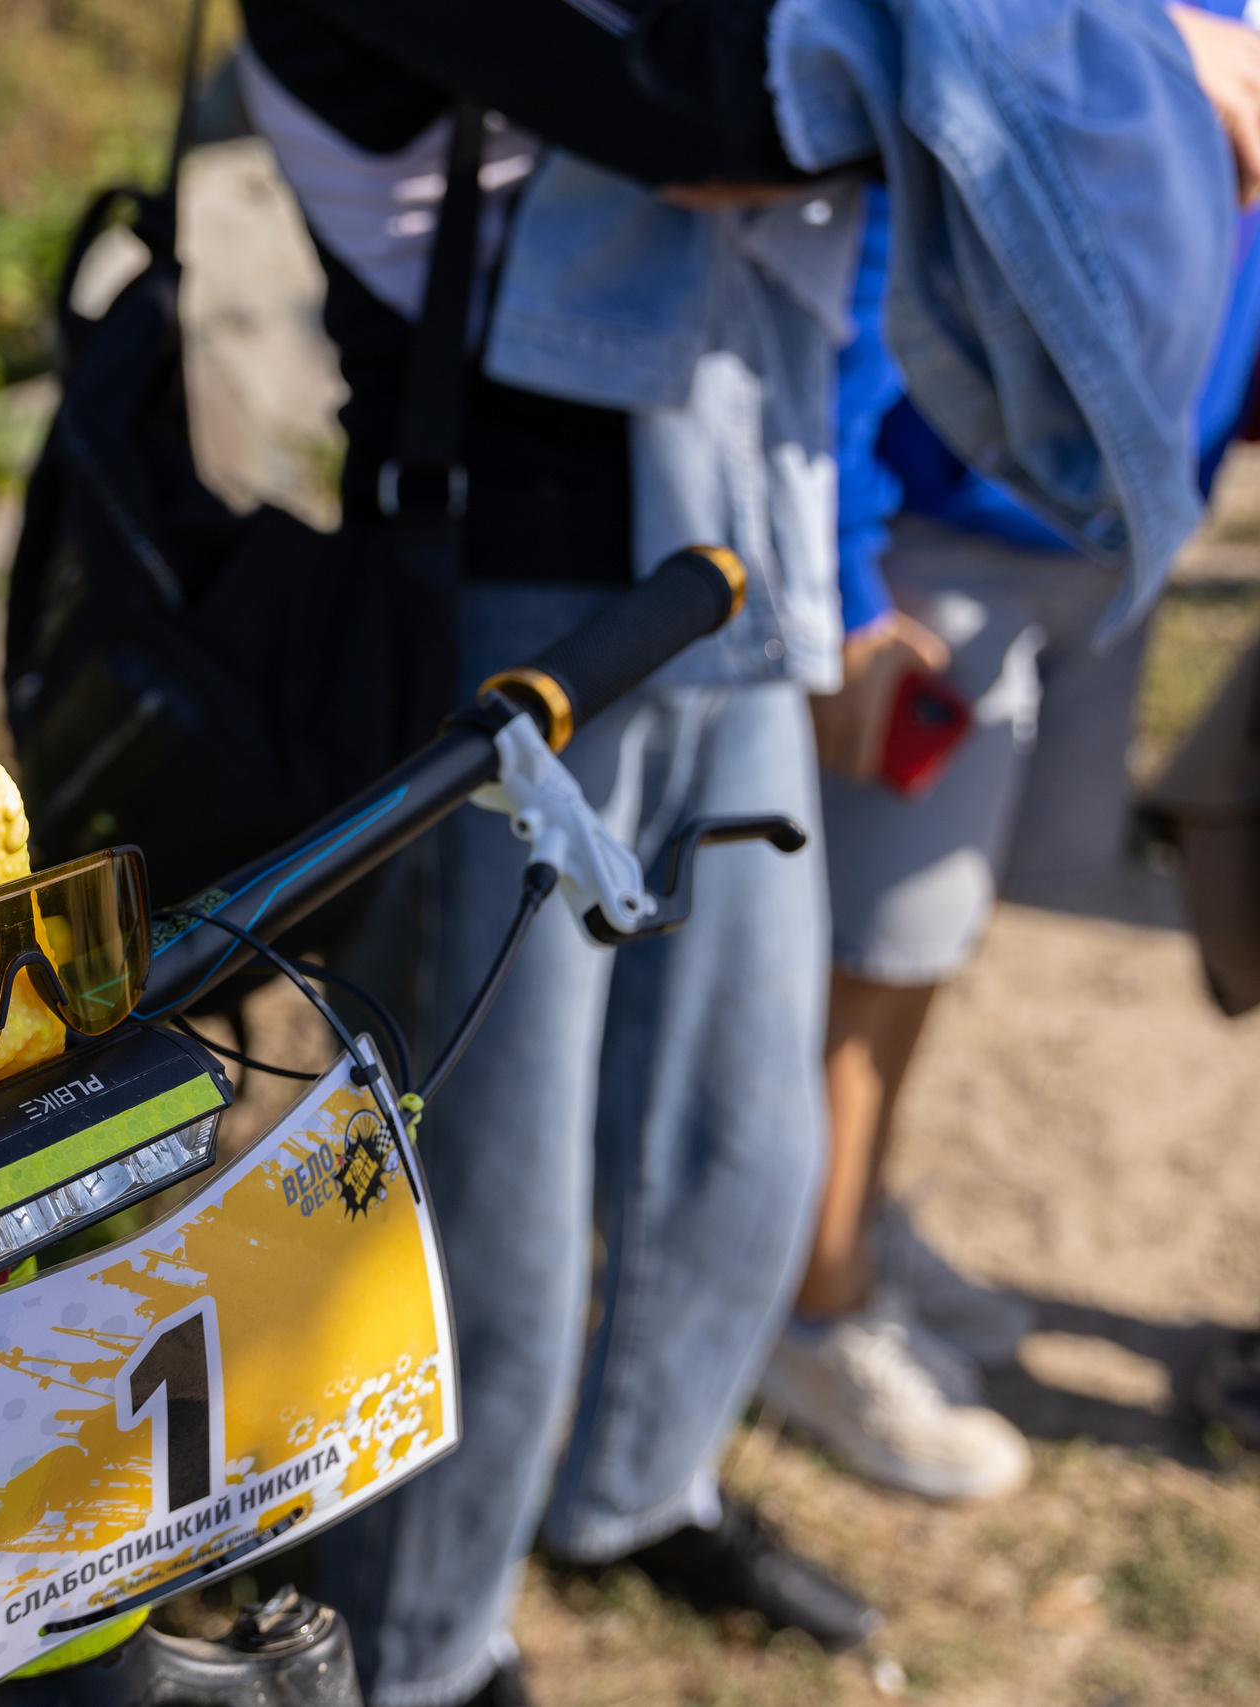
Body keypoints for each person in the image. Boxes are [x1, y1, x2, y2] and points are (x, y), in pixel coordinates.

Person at [234, 2, 1244, 1703]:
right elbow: (711, 109)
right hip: (514, 582)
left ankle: (637, 1489)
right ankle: (421, 1645)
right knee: (497, 1186)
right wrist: (1130, 47)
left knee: (746, 1118)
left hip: (728, 523)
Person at [764, 2, 1260, 1503]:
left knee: (937, 934)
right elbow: (868, 238)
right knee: (872, 952)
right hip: (939, 543)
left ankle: (850, 1217)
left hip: (1102, 539)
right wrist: (844, 574)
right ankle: (812, 1309)